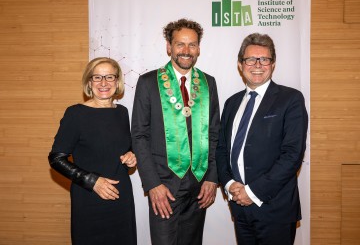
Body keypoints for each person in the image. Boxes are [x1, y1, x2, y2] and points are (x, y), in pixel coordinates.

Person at [131, 18, 220, 245]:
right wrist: (152, 184)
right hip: (164, 187)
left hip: (198, 187)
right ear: (169, 47)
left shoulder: (209, 83)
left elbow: (214, 134)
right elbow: (139, 136)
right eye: (180, 44)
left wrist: (212, 178)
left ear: (199, 48)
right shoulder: (148, 82)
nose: (186, 51)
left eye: (192, 45)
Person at [215, 33, 308, 245]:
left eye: (264, 59)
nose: (257, 65)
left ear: (273, 64)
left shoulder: (291, 99)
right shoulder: (231, 103)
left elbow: (292, 155)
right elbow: (221, 150)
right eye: (250, 59)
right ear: (240, 65)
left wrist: (252, 191)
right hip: (239, 207)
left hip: (275, 210)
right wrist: (230, 185)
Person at [48, 57, 137, 245]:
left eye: (109, 77)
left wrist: (131, 156)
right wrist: (92, 181)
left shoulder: (122, 112)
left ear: (117, 81)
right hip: (89, 198)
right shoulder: (75, 113)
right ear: (89, 82)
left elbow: (117, 149)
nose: (103, 83)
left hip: (121, 197)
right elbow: (56, 158)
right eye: (97, 77)